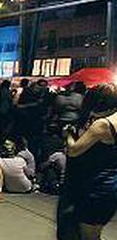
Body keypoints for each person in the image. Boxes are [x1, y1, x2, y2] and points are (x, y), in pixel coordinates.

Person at [63, 93, 117, 240]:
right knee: (95, 233)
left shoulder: (102, 124)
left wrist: (68, 135)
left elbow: (74, 150)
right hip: (111, 183)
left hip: (96, 186)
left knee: (89, 235)